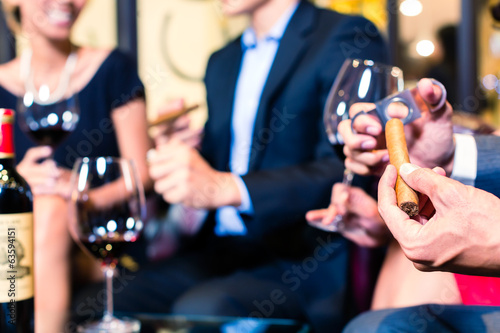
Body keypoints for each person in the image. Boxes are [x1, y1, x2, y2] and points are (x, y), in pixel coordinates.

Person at [75, 0, 388, 331]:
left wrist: (229, 188)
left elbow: (347, 168)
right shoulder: (222, 60)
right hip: (219, 253)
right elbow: (215, 166)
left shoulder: (344, 35)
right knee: (92, 306)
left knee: (201, 309)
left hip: (302, 260)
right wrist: (181, 148)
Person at [0, 1, 152, 332]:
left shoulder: (113, 68)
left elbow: (141, 173)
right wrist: (17, 183)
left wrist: (83, 198)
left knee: (53, 209)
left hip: (95, 237)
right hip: (16, 238)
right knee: (35, 213)